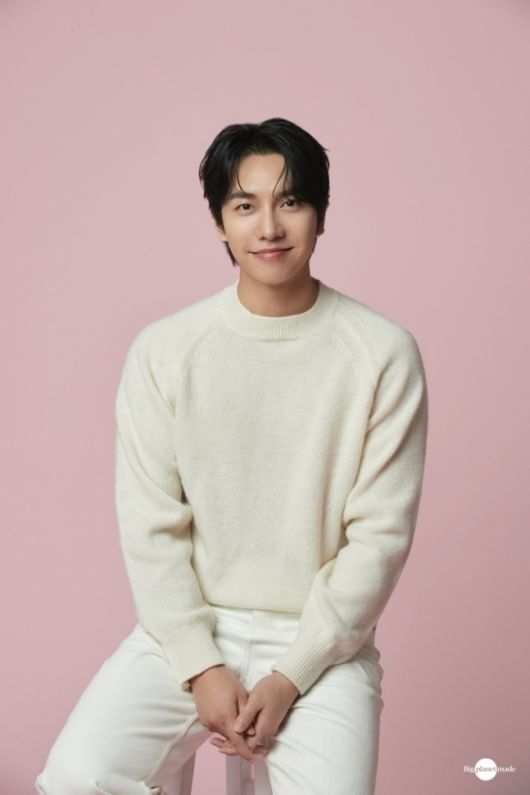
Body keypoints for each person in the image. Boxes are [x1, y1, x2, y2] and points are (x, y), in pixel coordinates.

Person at [35, 117, 428, 795]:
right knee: (76, 777)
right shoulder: (166, 351)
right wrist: (200, 664)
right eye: (245, 206)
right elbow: (152, 526)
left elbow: (380, 537)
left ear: (321, 216)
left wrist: (292, 673)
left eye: (291, 201)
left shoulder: (382, 352)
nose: (269, 227)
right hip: (190, 627)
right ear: (219, 222)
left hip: (322, 640)